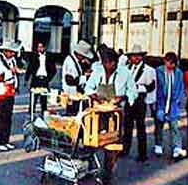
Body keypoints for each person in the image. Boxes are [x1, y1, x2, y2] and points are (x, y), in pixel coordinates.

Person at [84, 48, 137, 184]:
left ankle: (106, 174)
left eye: (110, 64)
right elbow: (88, 88)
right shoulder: (98, 71)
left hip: (116, 114)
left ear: (115, 63)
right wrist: (95, 96)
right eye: (104, 63)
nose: (107, 67)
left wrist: (122, 97)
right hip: (99, 112)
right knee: (93, 141)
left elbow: (133, 92)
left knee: (112, 145)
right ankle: (90, 168)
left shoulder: (125, 73)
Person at [122, 45, 156, 162]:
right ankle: (125, 149)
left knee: (141, 127)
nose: (135, 58)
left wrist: (137, 87)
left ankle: (142, 154)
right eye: (133, 56)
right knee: (127, 126)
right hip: (128, 99)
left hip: (140, 100)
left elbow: (151, 87)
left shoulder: (149, 70)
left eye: (138, 56)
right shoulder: (126, 68)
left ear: (141, 57)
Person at [154, 52, 187, 159]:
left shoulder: (178, 73)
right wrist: (157, 105)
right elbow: (156, 87)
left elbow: (181, 87)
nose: (171, 65)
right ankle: (158, 144)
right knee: (159, 126)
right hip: (161, 102)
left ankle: (177, 147)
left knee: (174, 126)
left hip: (173, 103)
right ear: (165, 61)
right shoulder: (158, 71)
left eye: (173, 63)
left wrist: (178, 99)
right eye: (170, 63)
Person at [0, 41, 20, 151]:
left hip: (10, 90)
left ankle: (6, 139)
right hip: (2, 90)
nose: (12, 54)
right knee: (1, 117)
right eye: (11, 52)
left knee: (8, 117)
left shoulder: (12, 61)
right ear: (5, 51)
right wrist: (9, 73)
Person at [62, 40, 94, 115]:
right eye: (83, 56)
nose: (84, 58)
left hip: (75, 95)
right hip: (71, 95)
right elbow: (70, 81)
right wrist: (86, 78)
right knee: (71, 115)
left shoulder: (77, 61)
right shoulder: (70, 62)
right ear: (79, 54)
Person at [25, 42, 57, 115]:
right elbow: (29, 68)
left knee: (44, 100)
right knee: (33, 99)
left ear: (44, 47)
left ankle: (44, 114)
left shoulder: (49, 56)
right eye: (38, 47)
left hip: (45, 80)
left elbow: (53, 69)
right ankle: (31, 115)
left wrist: (49, 78)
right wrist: (27, 79)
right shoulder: (33, 56)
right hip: (35, 79)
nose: (40, 49)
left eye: (41, 47)